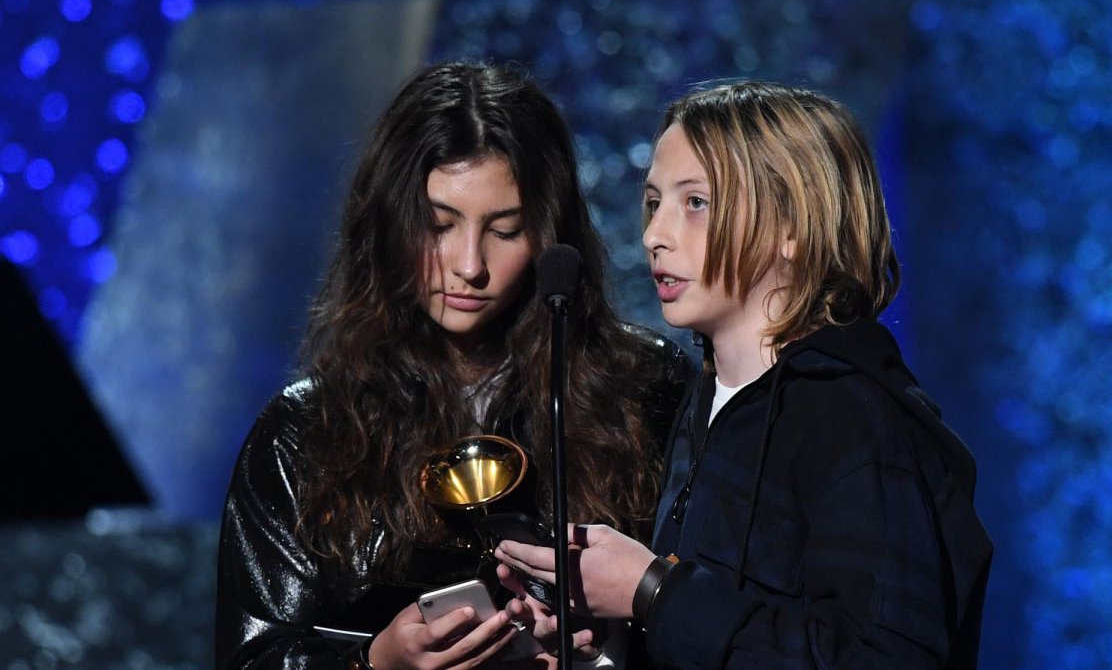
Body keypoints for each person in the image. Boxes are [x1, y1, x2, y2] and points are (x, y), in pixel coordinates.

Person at [496, 81, 993, 668]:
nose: (655, 234)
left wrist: (653, 591)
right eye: (654, 202)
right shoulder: (704, 400)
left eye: (696, 202)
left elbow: (885, 657)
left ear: (791, 226)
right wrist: (613, 640)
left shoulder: (853, 418)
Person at [215, 61, 694, 669]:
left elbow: (711, 610)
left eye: (505, 229)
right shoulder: (304, 430)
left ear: (550, 236)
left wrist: (607, 646)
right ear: (386, 225)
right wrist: (376, 664)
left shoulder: (645, 387)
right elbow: (251, 656)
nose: (470, 265)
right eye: (439, 225)